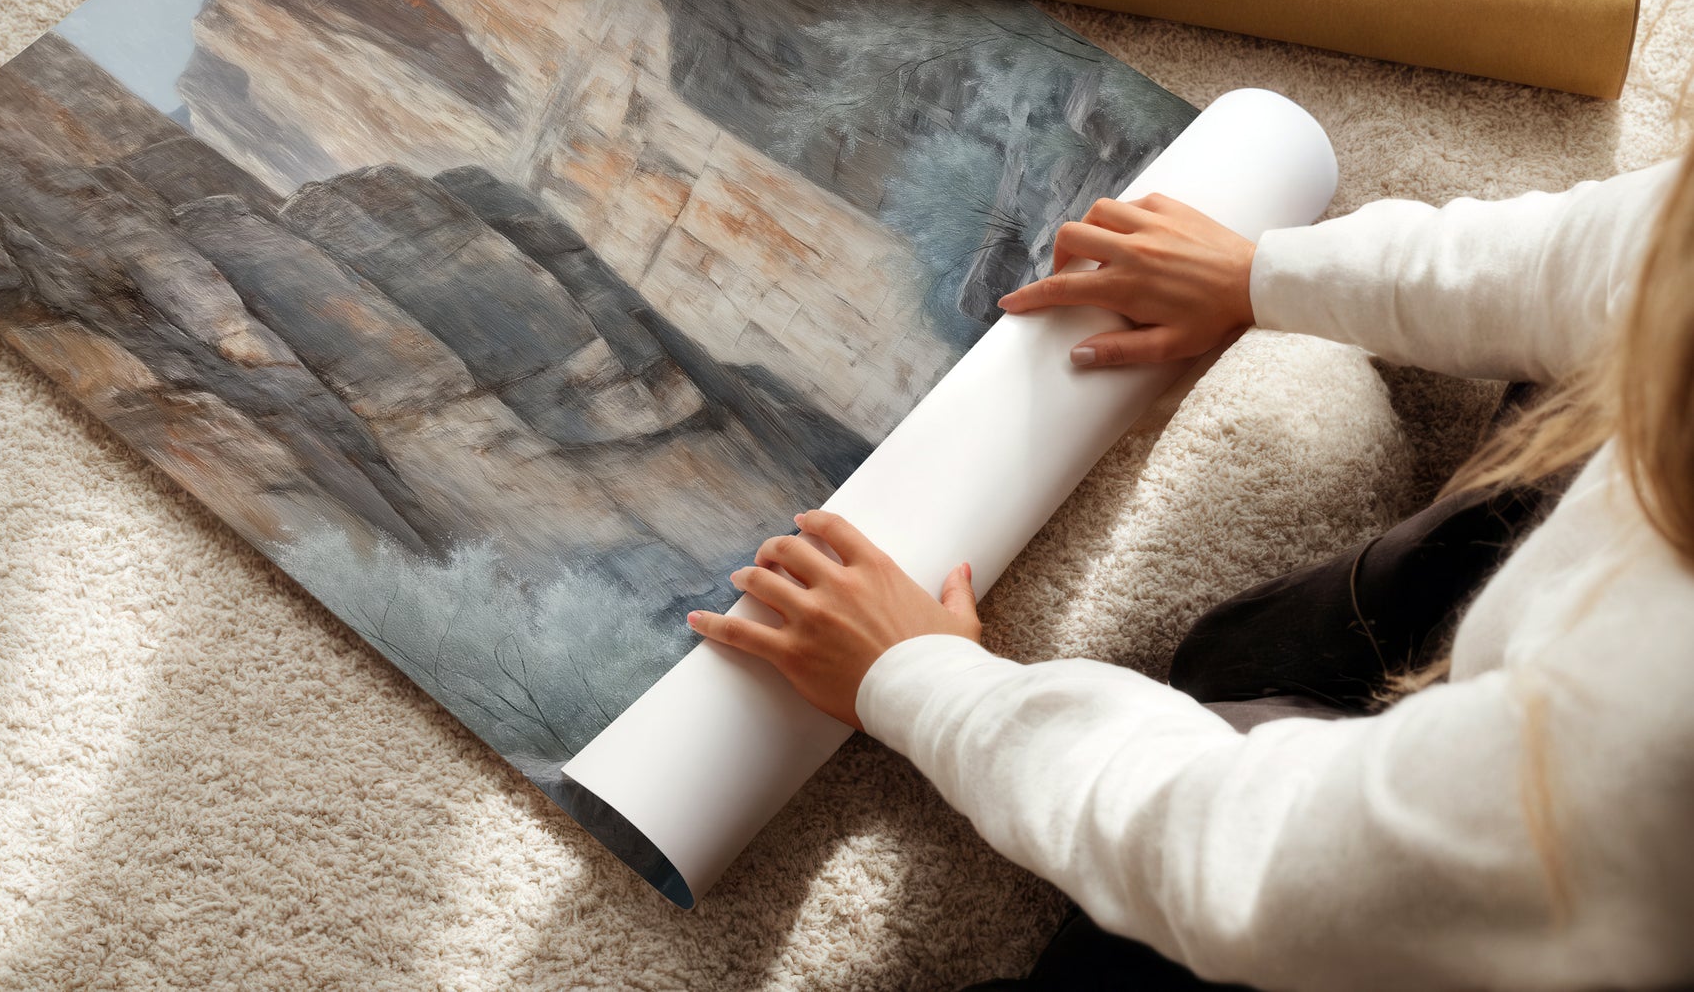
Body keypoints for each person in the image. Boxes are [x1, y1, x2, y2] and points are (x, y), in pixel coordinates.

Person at [686, 146, 1694, 990]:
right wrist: (1261, 273)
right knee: (1244, 657)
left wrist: (922, 682)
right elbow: (1618, 252)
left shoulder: (1644, 740)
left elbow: (1255, 865)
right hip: (1554, 707)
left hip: (1557, 900)